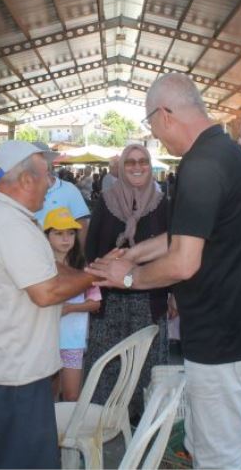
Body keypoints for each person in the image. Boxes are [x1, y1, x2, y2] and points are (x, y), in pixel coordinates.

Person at [87, 73, 241, 469]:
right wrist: (131, 255)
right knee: (204, 443)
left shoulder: (201, 166)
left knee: (218, 459)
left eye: (152, 127)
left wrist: (127, 278)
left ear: (165, 114)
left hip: (225, 337)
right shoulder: (225, 153)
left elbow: (183, 262)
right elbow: (183, 236)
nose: (157, 138)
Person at [0, 141, 96, 469]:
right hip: (14, 376)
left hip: (16, 369)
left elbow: (49, 271)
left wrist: (86, 272)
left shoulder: (13, 219)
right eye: (46, 175)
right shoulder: (9, 226)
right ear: (25, 180)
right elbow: (46, 292)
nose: (49, 183)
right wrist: (97, 276)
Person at [83, 144, 172, 420]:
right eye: (130, 161)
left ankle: (141, 423)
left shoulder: (163, 205)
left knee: (147, 363)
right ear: (121, 167)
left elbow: (173, 250)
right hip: (110, 301)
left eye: (143, 161)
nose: (136, 166)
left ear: (150, 165)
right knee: (107, 362)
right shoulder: (105, 202)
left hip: (149, 297)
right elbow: (91, 250)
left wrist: (173, 294)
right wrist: (94, 290)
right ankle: (103, 419)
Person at [44, 207, 102, 402]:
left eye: (70, 233)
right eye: (58, 233)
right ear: (47, 236)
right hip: (44, 341)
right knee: (47, 396)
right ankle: (49, 433)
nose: (66, 239)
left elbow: (95, 303)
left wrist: (70, 308)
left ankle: (66, 432)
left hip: (72, 341)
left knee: (71, 395)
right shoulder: (39, 266)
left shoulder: (83, 267)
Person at [31, 143, 91, 249]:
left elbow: (82, 224)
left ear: (50, 163)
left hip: (62, 255)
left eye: (44, 159)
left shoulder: (69, 189)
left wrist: (79, 257)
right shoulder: (22, 191)